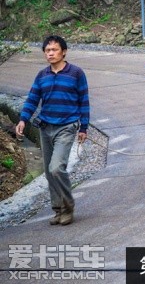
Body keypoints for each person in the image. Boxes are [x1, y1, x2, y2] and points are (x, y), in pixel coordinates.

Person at [15, 35, 89, 226]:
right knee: (49, 172)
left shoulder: (76, 73)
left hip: (67, 126)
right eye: (47, 51)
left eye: (54, 50)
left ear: (64, 51)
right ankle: (58, 210)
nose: (50, 53)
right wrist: (23, 119)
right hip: (45, 127)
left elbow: (84, 101)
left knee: (57, 168)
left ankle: (68, 205)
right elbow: (32, 99)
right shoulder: (42, 75)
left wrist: (84, 127)